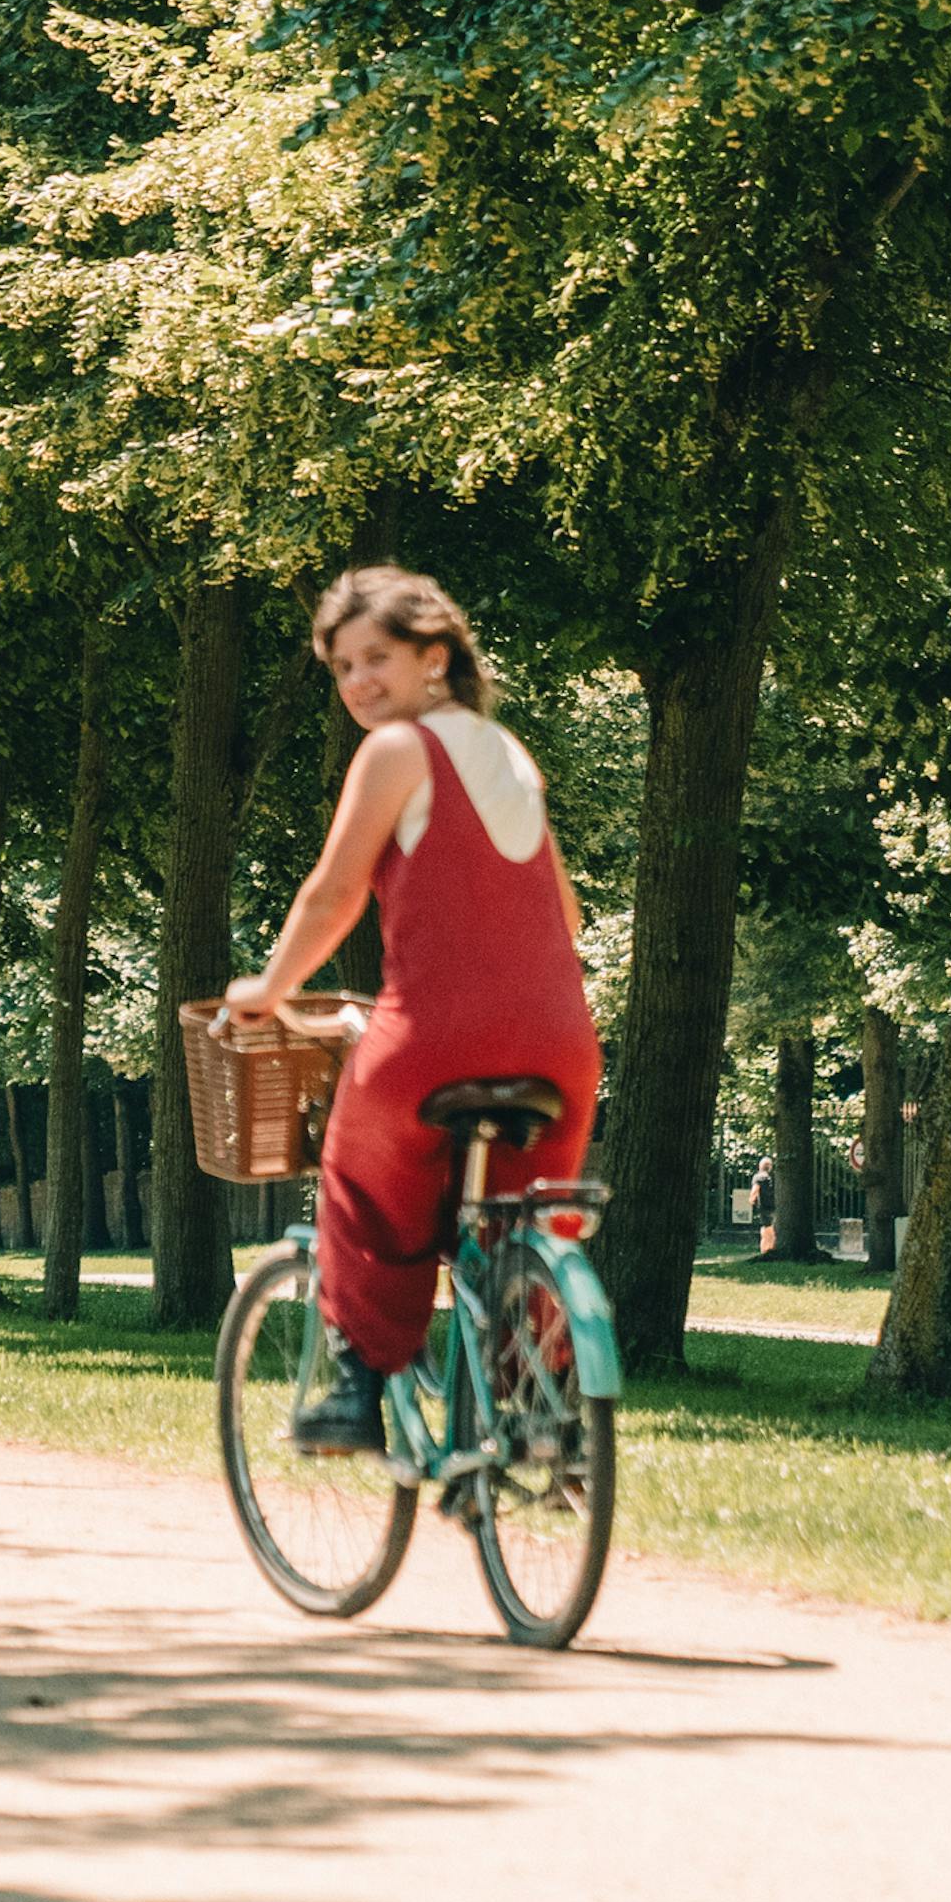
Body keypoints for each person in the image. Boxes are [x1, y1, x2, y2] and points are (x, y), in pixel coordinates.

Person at [225, 567, 599, 1456]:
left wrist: (266, 992)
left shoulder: (396, 752)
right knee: (526, 1222)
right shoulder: (509, 755)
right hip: (559, 1045)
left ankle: (356, 1389)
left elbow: (332, 895)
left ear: (435, 657)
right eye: (343, 669)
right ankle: (540, 1410)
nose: (358, 684)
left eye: (376, 659)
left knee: (360, 1188)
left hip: (435, 1037)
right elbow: (569, 912)